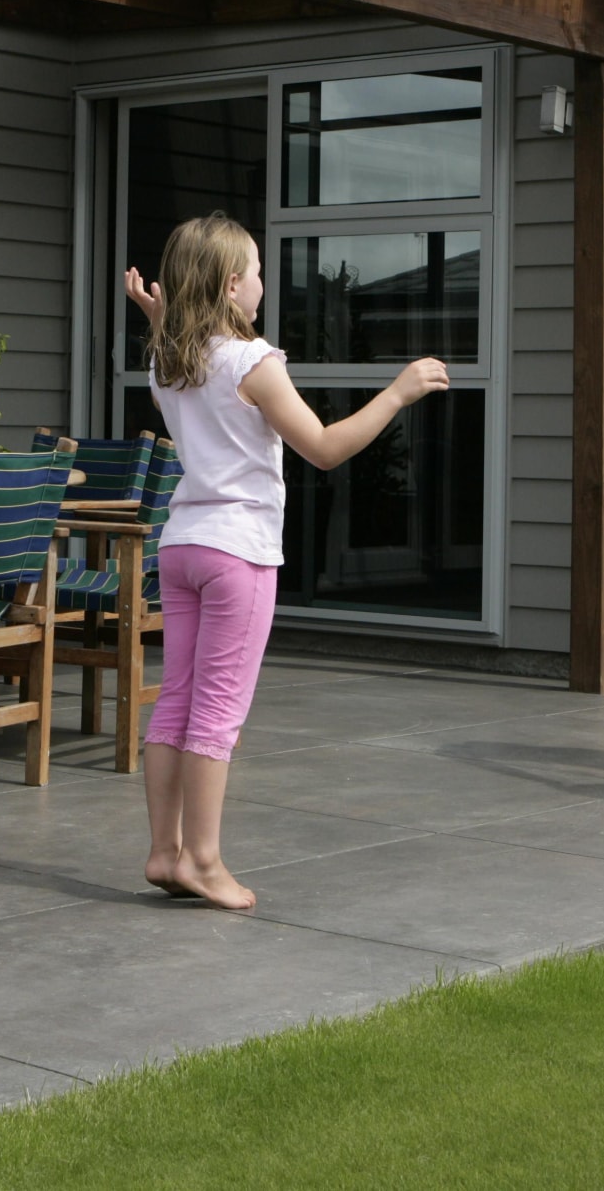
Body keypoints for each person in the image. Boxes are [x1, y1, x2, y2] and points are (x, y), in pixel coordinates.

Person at [123, 212, 449, 910]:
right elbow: (325, 447)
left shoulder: (166, 363)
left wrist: (160, 316)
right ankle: (205, 861)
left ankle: (165, 851)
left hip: (181, 544)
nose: (266, 285)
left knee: (174, 702)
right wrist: (398, 392)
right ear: (234, 284)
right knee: (214, 714)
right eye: (260, 273)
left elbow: (182, 357)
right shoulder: (253, 362)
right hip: (237, 554)